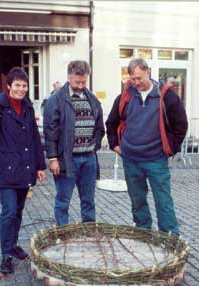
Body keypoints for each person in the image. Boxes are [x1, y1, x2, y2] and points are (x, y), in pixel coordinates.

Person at [105, 58, 188, 235]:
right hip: (131, 159)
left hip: (156, 159)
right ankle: (143, 232)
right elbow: (111, 122)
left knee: (163, 199)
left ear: (148, 72)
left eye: (139, 78)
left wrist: (170, 148)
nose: (136, 83)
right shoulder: (126, 96)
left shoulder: (167, 96)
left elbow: (181, 125)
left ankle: (170, 236)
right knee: (137, 199)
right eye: (133, 79)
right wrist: (115, 145)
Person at [0, 67, 46, 274]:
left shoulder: (28, 106)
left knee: (18, 211)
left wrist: (40, 165)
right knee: (8, 211)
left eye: (24, 85)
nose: (21, 89)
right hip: (6, 169)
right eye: (17, 85)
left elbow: (35, 137)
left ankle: (13, 244)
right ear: (8, 86)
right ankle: (5, 255)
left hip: (25, 168)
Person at [43, 60, 105, 226]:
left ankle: (89, 231)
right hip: (66, 159)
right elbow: (50, 131)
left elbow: (100, 126)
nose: (81, 85)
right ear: (69, 77)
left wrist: (94, 145)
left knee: (88, 200)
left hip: (89, 159)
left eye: (84, 81)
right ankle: (63, 235)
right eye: (77, 81)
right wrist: (53, 158)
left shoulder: (92, 98)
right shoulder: (56, 100)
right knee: (63, 201)